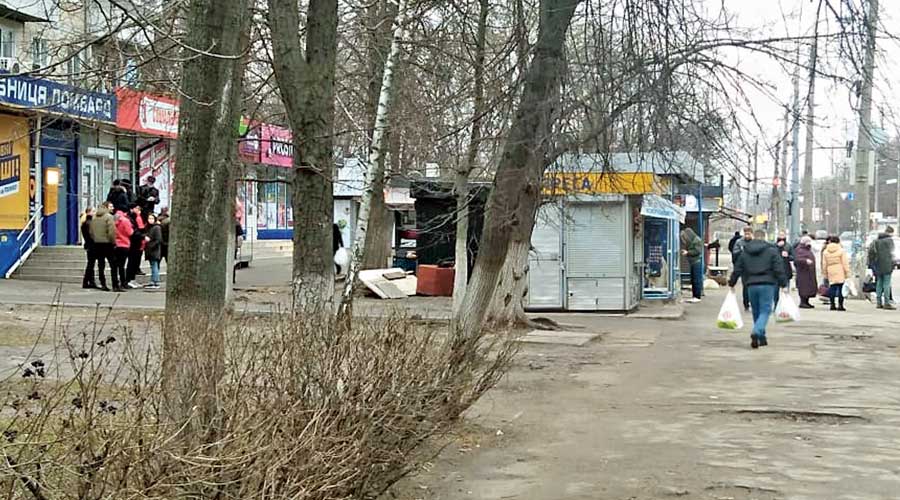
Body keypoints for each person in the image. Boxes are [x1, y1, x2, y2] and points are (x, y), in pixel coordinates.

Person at [728, 229, 788, 349]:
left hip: (751, 285)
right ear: (764, 237)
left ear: (754, 237)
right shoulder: (772, 251)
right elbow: (778, 268)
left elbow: (738, 268)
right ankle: (757, 331)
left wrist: (732, 282)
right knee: (765, 310)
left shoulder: (745, 251)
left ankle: (761, 337)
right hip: (767, 284)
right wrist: (783, 283)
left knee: (756, 311)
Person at [89, 202, 117, 292]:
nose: (112, 208)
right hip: (107, 244)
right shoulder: (109, 217)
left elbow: (91, 232)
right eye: (110, 207)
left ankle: (103, 283)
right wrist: (113, 242)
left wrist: (96, 239)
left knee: (101, 265)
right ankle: (115, 285)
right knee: (113, 265)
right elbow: (111, 232)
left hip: (97, 243)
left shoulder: (94, 217)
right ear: (106, 208)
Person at [868, 225, 896, 310]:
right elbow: (892, 253)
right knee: (887, 283)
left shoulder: (875, 241)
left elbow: (870, 253)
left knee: (879, 283)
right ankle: (887, 302)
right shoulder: (889, 241)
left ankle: (879, 302)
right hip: (887, 265)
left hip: (877, 265)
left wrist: (872, 264)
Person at [822, 235, 851, 311]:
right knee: (841, 288)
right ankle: (840, 305)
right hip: (840, 270)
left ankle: (832, 305)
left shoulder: (825, 251)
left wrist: (825, 274)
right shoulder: (841, 250)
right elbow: (845, 263)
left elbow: (824, 264)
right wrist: (847, 273)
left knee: (832, 288)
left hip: (830, 270)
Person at [732, 226, 754, 311]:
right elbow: (735, 253)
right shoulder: (739, 242)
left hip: (754, 267)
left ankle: (752, 302)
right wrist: (741, 252)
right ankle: (746, 303)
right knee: (745, 286)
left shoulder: (755, 242)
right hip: (744, 268)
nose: (747, 235)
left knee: (752, 286)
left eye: (748, 233)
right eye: (745, 233)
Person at [126, 204, 147, 287]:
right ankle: (129, 279)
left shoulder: (136, 217)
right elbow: (135, 231)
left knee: (134, 262)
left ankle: (132, 279)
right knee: (132, 262)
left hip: (136, 242)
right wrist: (142, 236)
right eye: (136, 208)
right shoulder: (133, 218)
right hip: (134, 243)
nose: (139, 210)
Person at [794, 235, 818, 309]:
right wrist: (805, 261)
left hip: (809, 272)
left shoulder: (807, 249)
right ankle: (803, 302)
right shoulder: (800, 249)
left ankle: (806, 302)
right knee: (804, 287)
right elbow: (797, 259)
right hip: (803, 273)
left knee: (809, 287)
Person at [113, 208, 134, 293]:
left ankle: (116, 282)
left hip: (115, 244)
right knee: (122, 265)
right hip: (124, 244)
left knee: (115, 265)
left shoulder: (113, 220)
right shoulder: (126, 221)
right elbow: (130, 233)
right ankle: (123, 282)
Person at [681, 227, 704, 303]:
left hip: (696, 262)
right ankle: (695, 296)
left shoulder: (697, 240)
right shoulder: (694, 240)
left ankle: (697, 296)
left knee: (696, 279)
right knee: (694, 279)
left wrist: (688, 252)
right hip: (694, 262)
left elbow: (697, 251)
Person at [774, 235, 794, 306]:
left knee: (786, 290)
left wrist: (788, 256)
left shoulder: (788, 246)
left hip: (786, 270)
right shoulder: (773, 246)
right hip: (775, 272)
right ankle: (776, 305)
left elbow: (793, 257)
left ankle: (785, 305)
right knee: (775, 291)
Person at [144, 214, 163, 290]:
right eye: (149, 218)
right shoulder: (149, 227)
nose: (150, 220)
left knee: (154, 265)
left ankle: (155, 281)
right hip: (150, 249)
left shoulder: (156, 228)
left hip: (154, 250)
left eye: (152, 218)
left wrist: (151, 246)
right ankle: (153, 281)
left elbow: (158, 240)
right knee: (153, 265)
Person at [80, 208, 97, 289]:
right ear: (89, 212)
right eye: (93, 211)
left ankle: (90, 281)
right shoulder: (90, 223)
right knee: (91, 264)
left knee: (91, 263)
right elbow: (93, 235)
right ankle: (87, 281)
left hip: (89, 245)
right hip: (92, 245)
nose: (95, 213)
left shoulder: (85, 223)